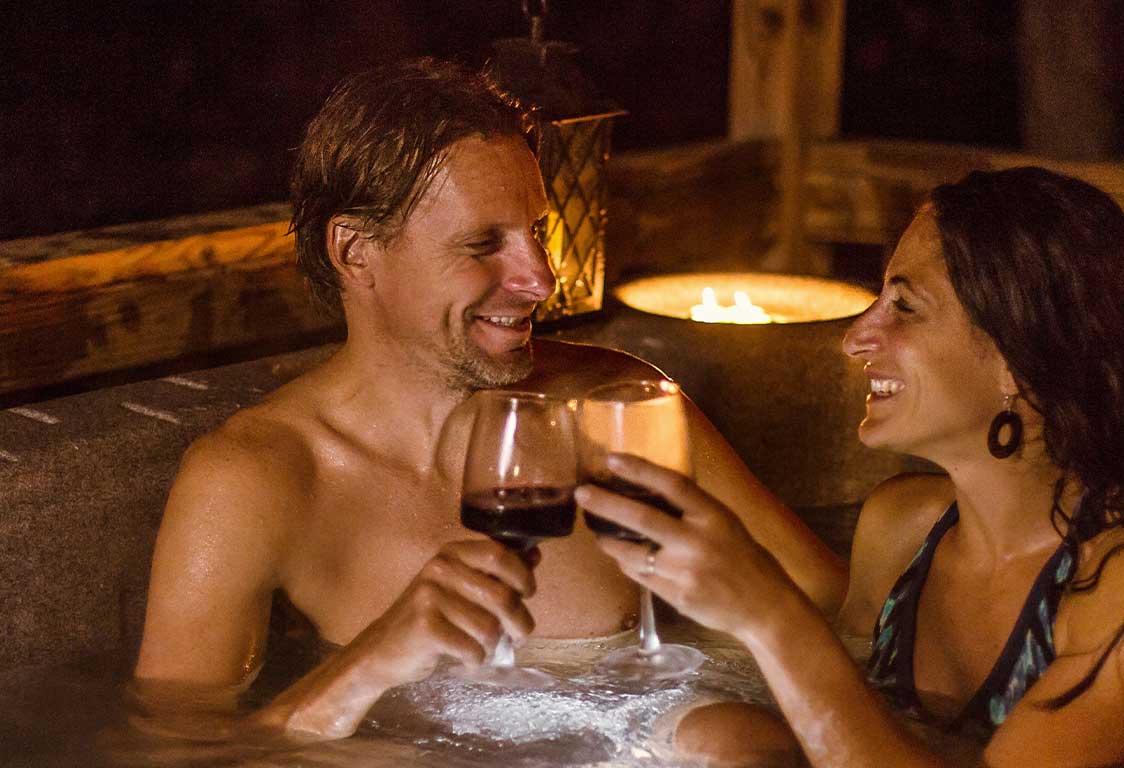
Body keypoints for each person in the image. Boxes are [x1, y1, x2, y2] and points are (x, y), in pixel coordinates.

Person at [130, 57, 843, 749]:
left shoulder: (614, 407)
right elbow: (169, 753)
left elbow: (838, 613)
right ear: (354, 253)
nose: (540, 277)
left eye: (536, 230)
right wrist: (370, 660)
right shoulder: (255, 479)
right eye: (483, 243)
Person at [577, 167, 1124, 766]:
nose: (858, 338)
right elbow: (839, 712)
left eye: (903, 308)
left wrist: (768, 614)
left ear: (1018, 360)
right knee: (718, 734)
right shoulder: (903, 529)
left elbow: (801, 650)